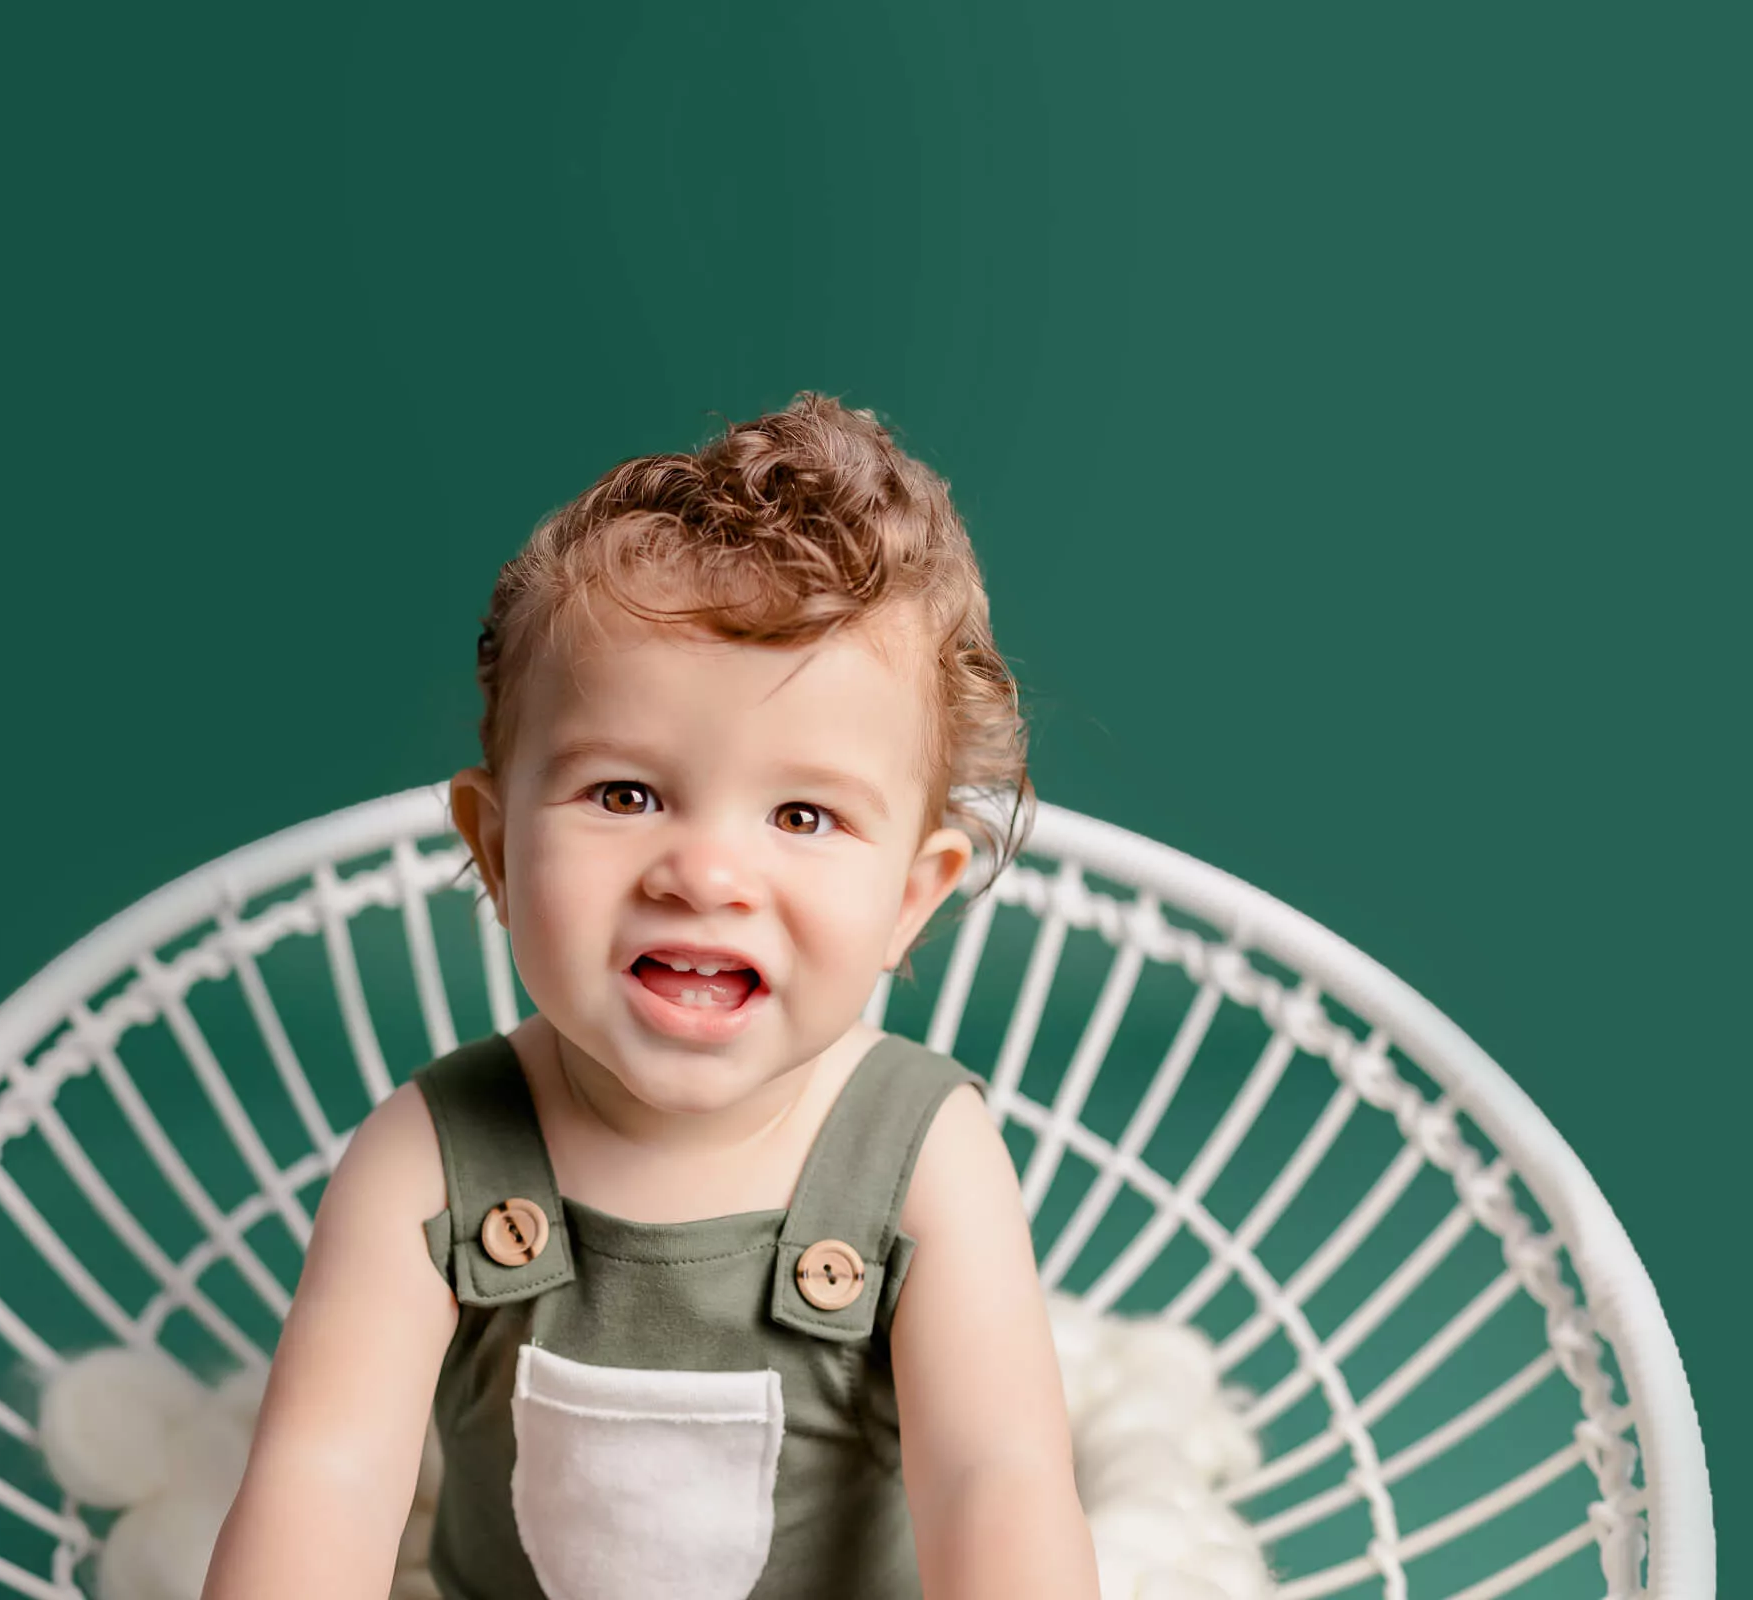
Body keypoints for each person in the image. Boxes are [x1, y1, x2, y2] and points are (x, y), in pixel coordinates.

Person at [203, 394, 1102, 1600]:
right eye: (626, 794)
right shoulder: (432, 1153)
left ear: (910, 898)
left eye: (803, 815)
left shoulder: (925, 1154)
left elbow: (994, 1480)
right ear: (498, 849)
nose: (706, 875)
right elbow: (327, 1472)